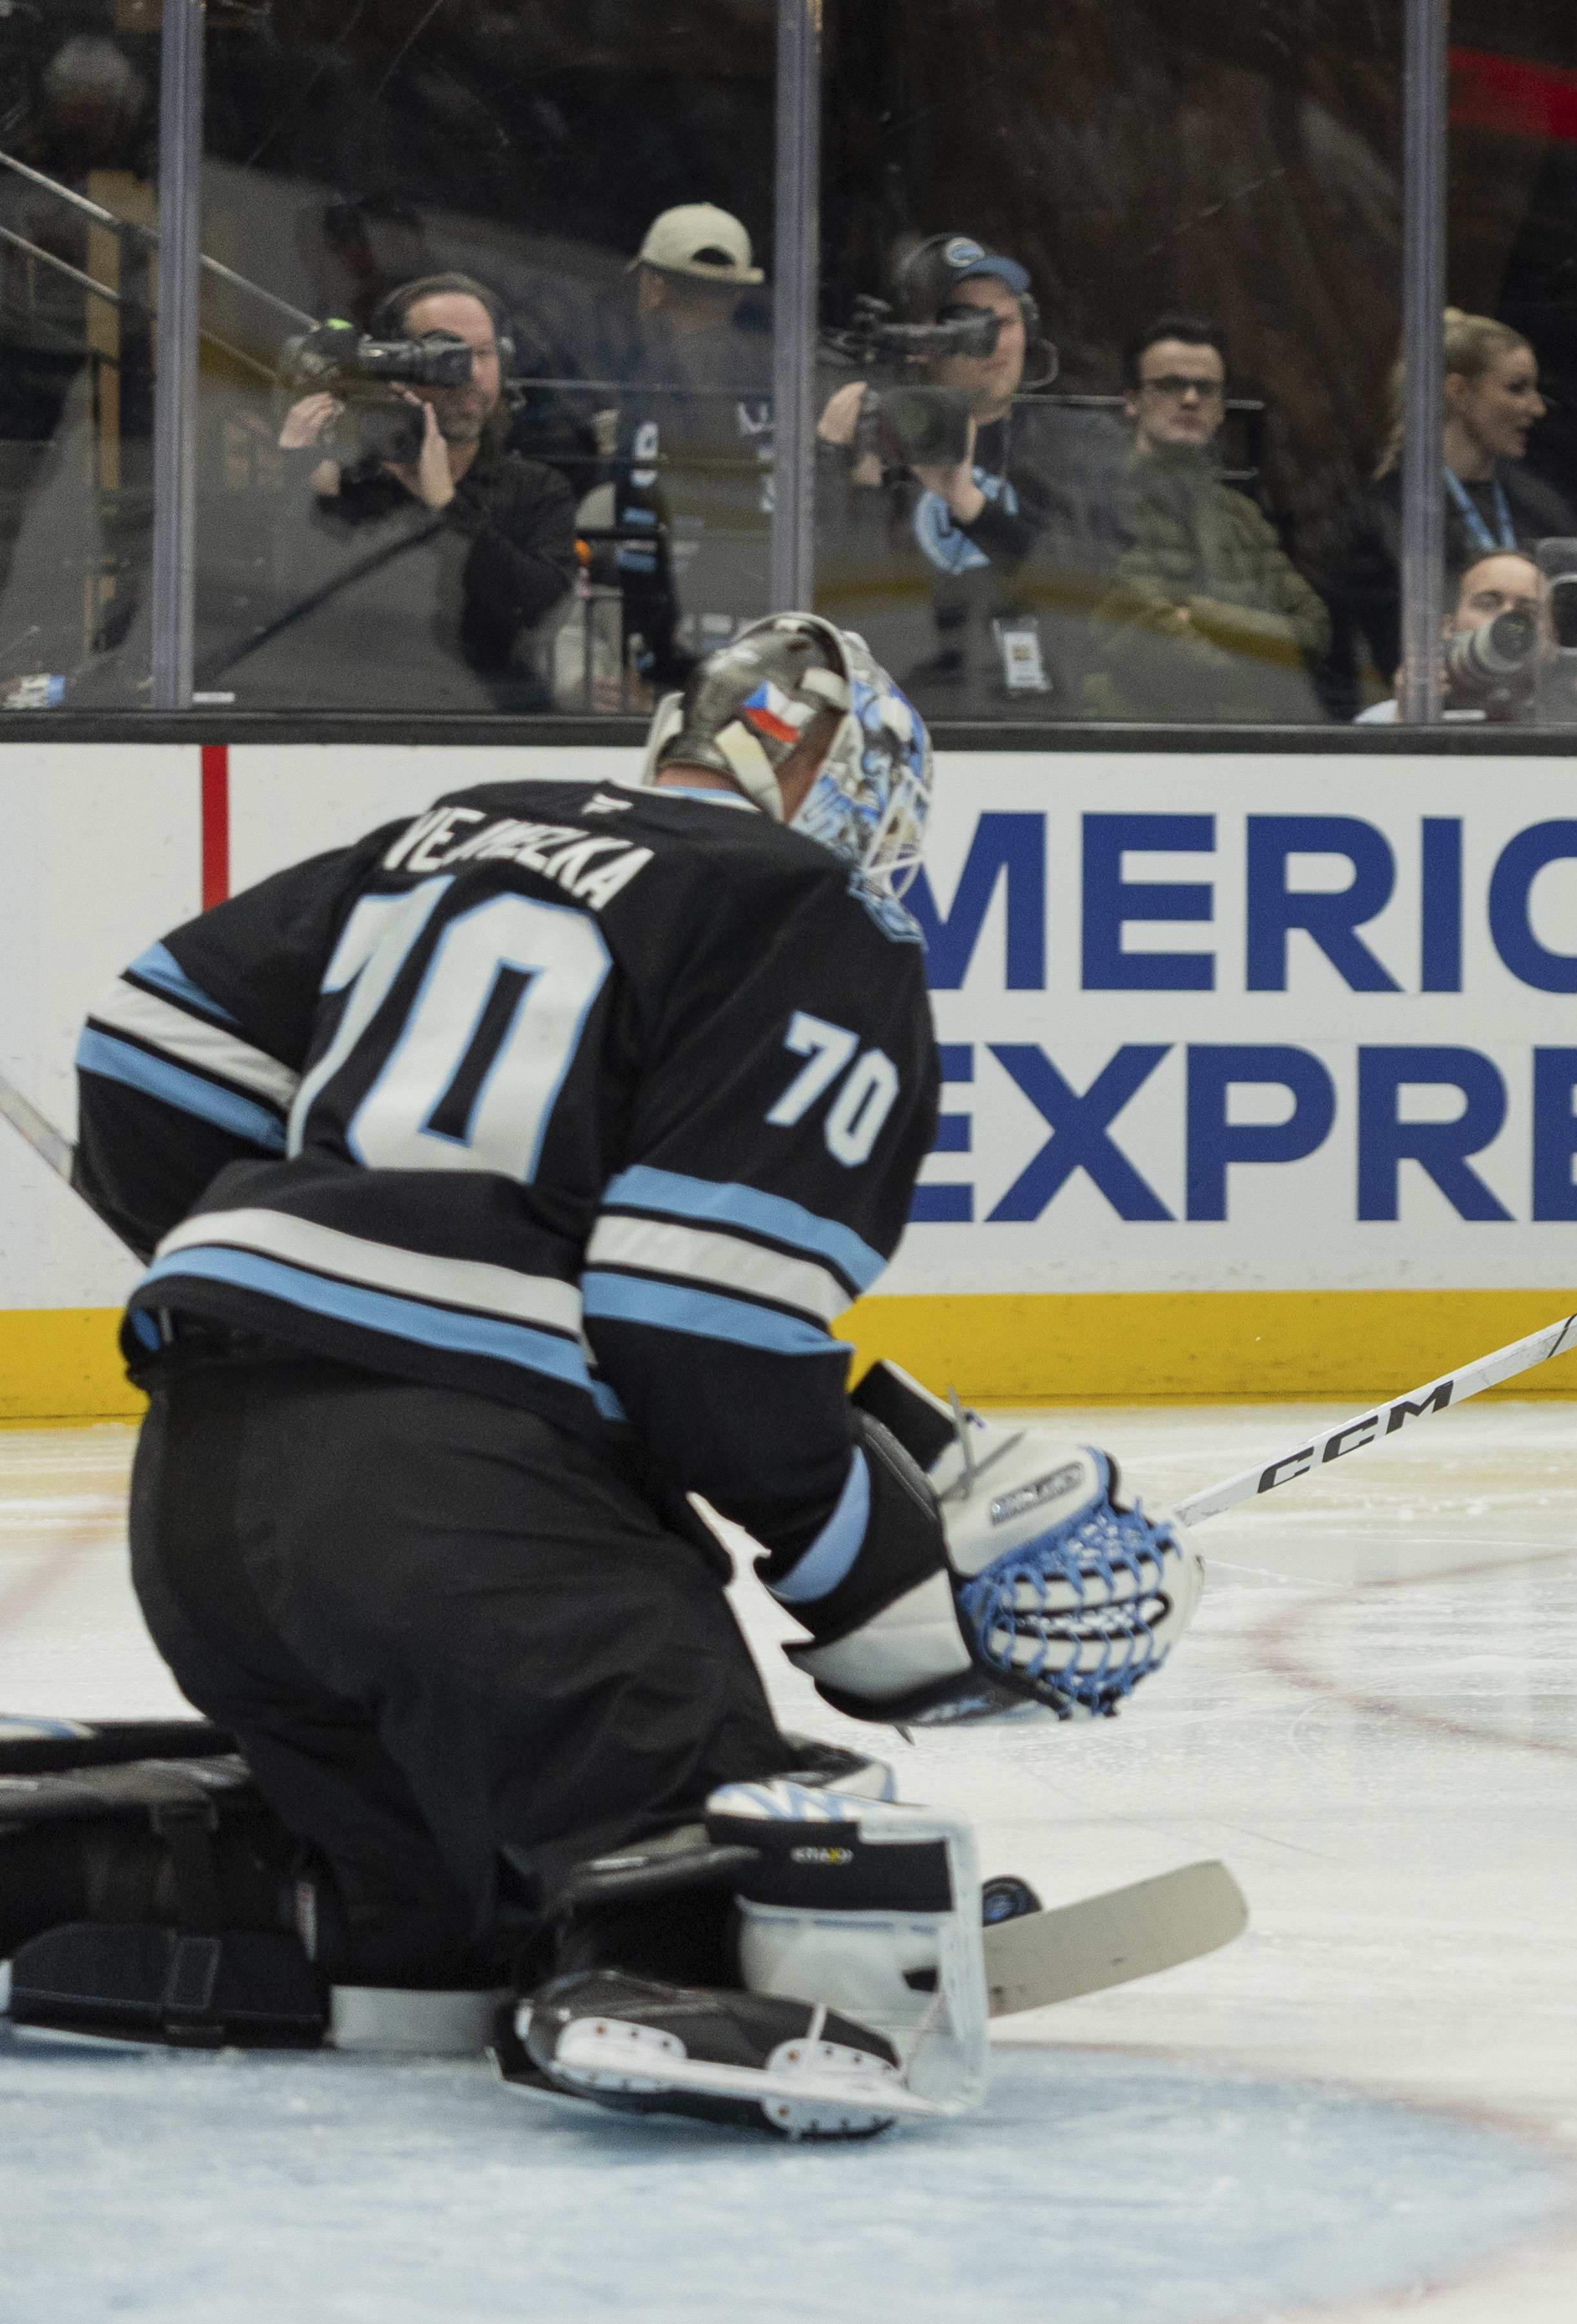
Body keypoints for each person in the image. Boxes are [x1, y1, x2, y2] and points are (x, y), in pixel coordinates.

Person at [28, 613, 1192, 2134]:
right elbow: (698, 1317)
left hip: (200, 1487)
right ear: (846, 789)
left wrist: (295, 1245)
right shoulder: (807, 906)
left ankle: (200, 1889)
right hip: (469, 1512)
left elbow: (146, 1043)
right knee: (708, 1832)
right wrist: (869, 1573)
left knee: (440, 1888)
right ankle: (681, 1956)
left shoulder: (454, 831)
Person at [815, 234, 1125, 720]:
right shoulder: (871, 433)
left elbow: (1086, 590)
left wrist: (970, 504)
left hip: (1048, 720)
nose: (994, 341)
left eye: (1004, 322)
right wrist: (852, 481)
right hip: (893, 715)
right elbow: (828, 616)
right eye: (967, 328)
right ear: (919, 343)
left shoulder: (1076, 443)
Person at [236, 272, 578, 712]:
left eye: (486, 354)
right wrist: (296, 486)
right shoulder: (349, 482)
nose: (471, 373)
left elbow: (539, 614)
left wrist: (449, 508)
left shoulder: (535, 489)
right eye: (448, 355)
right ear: (395, 366)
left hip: (493, 727)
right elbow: (270, 614)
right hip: (344, 723)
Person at [1311, 307, 1577, 717]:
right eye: (1516, 388)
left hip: (1532, 727)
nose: (1537, 408)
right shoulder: (1376, 518)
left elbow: (1571, 629)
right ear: (1459, 392)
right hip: (1415, 733)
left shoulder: (1544, 506)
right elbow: (1339, 661)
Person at [1088, 315, 1330, 722]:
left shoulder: (1241, 517)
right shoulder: (1097, 504)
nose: (1189, 399)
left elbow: (1314, 632)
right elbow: (1150, 652)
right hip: (1137, 745)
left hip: (1251, 746)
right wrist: (1268, 661)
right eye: (1168, 385)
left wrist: (1198, 613)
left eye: (1206, 389)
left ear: (1221, 410)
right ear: (1132, 401)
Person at [605, 203, 775, 695]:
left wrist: (647, 645)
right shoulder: (777, 376)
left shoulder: (656, 375)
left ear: (654, 287)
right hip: (769, 627)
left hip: (684, 645)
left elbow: (639, 524)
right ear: (738, 292)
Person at [1351, 548, 1577, 723]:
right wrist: (1408, 721)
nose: (1508, 620)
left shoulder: (1570, 722)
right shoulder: (1384, 719)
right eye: (1488, 603)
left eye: (1529, 611)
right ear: (1446, 628)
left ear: (1552, 643)